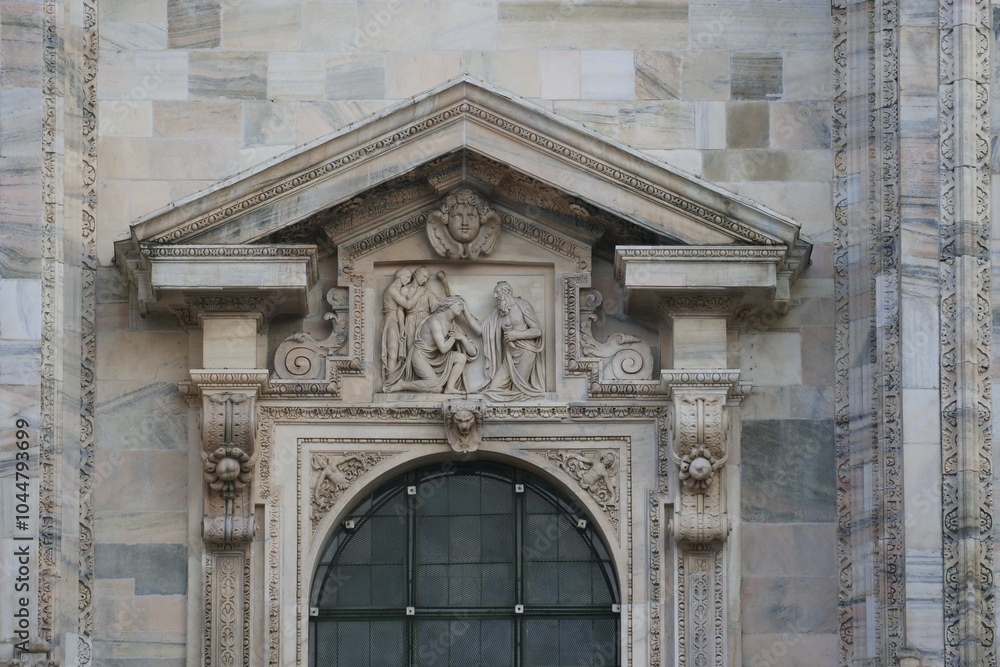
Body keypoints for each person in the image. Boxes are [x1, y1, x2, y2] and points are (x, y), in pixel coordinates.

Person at [465, 281, 544, 400]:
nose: (495, 296)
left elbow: (537, 331)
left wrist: (516, 335)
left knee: (518, 391)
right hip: (509, 356)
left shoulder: (522, 305)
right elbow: (480, 330)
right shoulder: (498, 312)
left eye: (497, 292)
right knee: (493, 390)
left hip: (526, 351)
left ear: (506, 291)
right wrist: (465, 312)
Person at [384, 296, 480, 394]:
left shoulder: (452, 324)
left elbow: (472, 352)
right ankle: (403, 385)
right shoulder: (435, 321)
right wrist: (453, 338)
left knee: (461, 358)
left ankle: (450, 387)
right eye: (459, 305)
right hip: (421, 357)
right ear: (450, 305)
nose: (462, 308)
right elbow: (443, 348)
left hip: (437, 357)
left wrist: (463, 338)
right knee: (436, 388)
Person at [381, 267, 417, 376]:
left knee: (396, 352)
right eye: (407, 277)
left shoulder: (397, 289)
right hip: (391, 321)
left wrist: (402, 326)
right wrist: (419, 294)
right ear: (399, 275)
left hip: (396, 321)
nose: (408, 280)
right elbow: (407, 305)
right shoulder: (392, 290)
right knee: (393, 352)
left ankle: (393, 378)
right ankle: (390, 380)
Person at [400, 266, 441, 348]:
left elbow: (437, 307)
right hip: (411, 320)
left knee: (423, 345)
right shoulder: (405, 290)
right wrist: (401, 326)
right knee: (410, 345)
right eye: (424, 276)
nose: (425, 280)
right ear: (417, 274)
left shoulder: (427, 292)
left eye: (427, 279)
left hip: (424, 321)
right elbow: (400, 310)